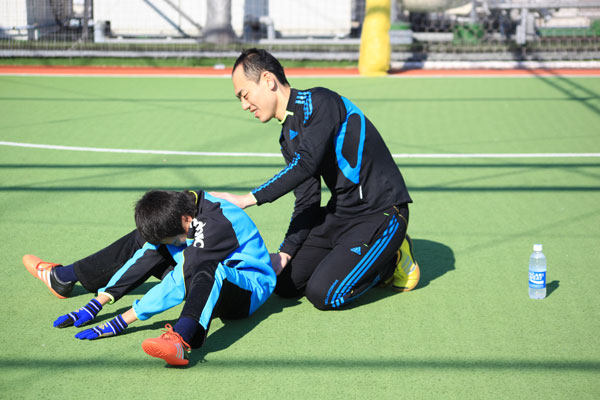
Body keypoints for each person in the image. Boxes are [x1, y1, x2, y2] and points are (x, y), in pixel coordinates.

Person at [210, 48, 419, 310]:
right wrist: (286, 253)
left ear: (267, 80)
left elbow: (306, 163)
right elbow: (307, 198)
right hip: (341, 215)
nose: (244, 105)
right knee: (284, 283)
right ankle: (349, 257)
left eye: (245, 94)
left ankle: (390, 259)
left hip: (381, 211)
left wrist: (247, 199)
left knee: (325, 294)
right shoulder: (287, 137)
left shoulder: (320, 102)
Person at [23, 189, 276, 366]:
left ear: (186, 220)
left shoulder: (216, 225)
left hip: (247, 289)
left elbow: (180, 278)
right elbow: (146, 255)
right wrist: (100, 300)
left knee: (206, 270)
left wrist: (123, 320)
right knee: (149, 240)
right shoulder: (184, 208)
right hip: (203, 275)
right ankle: (65, 278)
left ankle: (180, 339)